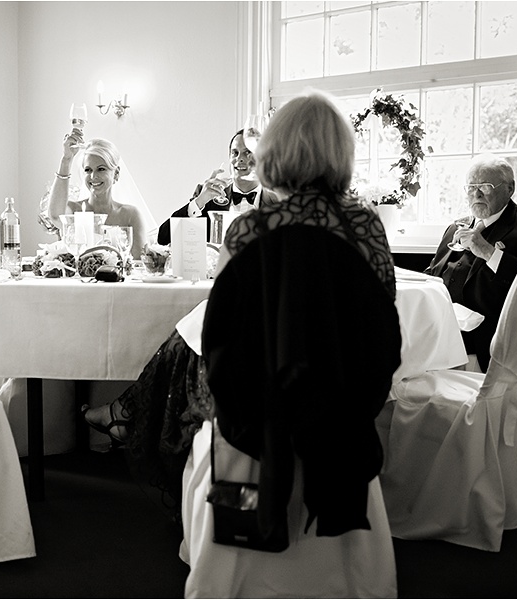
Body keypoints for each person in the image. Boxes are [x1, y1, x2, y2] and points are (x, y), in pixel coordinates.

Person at [83, 89, 396, 513]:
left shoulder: (251, 228)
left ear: (273, 152)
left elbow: (222, 338)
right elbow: (381, 325)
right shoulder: (367, 223)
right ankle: (128, 414)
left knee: (187, 358)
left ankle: (137, 426)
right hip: (346, 403)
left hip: (262, 415)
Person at [425, 154, 517, 373]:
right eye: (471, 187)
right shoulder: (454, 228)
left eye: (485, 187)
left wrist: (487, 251)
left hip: (492, 347)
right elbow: (432, 275)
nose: (476, 194)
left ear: (510, 189)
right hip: (440, 337)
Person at [156, 129, 277, 245]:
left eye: (248, 152)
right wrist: (199, 202)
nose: (239, 158)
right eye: (235, 153)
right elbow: (163, 238)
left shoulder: (278, 202)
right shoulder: (207, 197)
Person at [48, 132, 148, 258]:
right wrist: (66, 160)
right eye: (88, 170)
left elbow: (140, 263)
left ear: (116, 174)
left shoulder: (130, 215)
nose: (93, 176)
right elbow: (55, 216)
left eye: (101, 169)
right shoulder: (73, 210)